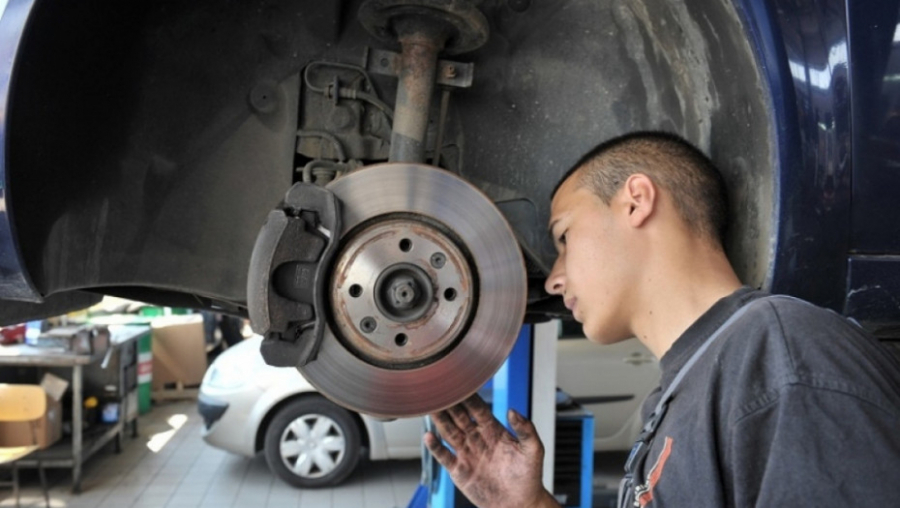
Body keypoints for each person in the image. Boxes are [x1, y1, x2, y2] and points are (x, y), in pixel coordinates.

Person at [424, 132, 900, 507]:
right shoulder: (689, 388)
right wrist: (524, 504)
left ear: (636, 200)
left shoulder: (782, 358)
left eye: (564, 237)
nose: (553, 280)